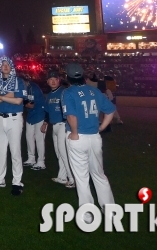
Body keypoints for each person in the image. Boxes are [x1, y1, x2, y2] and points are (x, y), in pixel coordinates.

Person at [63, 62, 116, 222]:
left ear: (68, 77)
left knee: (81, 177)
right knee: (99, 174)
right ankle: (111, 211)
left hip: (78, 138)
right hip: (94, 137)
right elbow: (111, 110)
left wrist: (74, 133)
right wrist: (102, 127)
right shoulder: (94, 91)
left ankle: (88, 215)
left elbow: (71, 115)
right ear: (83, 76)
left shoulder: (68, 92)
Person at [0, 56, 27, 196]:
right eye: (2, 64)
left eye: (7, 64)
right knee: (0, 151)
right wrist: (7, 96)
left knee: (15, 151)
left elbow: (18, 101)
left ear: (12, 67)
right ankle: (0, 178)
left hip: (14, 119)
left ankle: (17, 182)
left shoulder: (18, 81)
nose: (5, 66)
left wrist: (1, 97)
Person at [45, 70, 74, 188]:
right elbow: (47, 111)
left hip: (63, 125)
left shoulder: (64, 92)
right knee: (58, 153)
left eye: (55, 79)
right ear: (47, 81)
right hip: (54, 125)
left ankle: (72, 178)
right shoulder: (49, 95)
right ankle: (62, 176)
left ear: (59, 80)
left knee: (64, 152)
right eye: (50, 79)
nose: (52, 81)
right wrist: (45, 122)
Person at [23, 77, 47, 170]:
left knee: (39, 139)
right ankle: (31, 158)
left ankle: (41, 161)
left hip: (39, 114)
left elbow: (30, 104)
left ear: (26, 81)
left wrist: (22, 103)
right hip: (31, 115)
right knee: (29, 137)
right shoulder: (26, 88)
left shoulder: (33, 88)